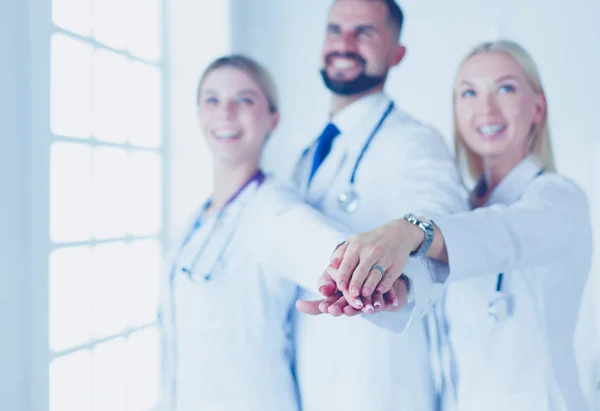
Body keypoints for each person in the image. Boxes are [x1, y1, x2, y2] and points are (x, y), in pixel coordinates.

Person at [302, 40, 594, 411]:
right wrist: (386, 291)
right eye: (468, 93)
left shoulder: (558, 198)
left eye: (505, 88)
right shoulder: (459, 210)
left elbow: (505, 234)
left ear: (537, 107)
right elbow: (432, 281)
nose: (485, 108)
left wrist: (407, 232)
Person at [158, 54, 398, 411]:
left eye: (245, 99)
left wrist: (370, 273)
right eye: (212, 99)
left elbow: (332, 255)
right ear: (198, 115)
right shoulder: (192, 223)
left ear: (273, 119)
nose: (226, 112)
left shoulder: (273, 210)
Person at [290, 0, 466, 410]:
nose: (344, 43)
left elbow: (442, 220)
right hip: (315, 378)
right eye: (335, 30)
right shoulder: (311, 151)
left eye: (364, 32)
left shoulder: (415, 141)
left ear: (396, 53)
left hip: (381, 385)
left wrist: (404, 283)